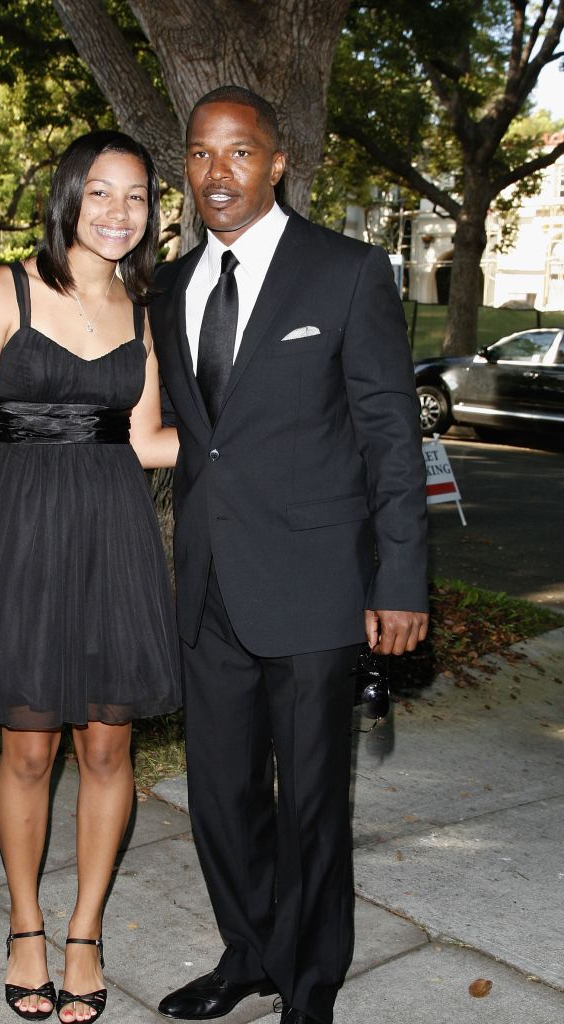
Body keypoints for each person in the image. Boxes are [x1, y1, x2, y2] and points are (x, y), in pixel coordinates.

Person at [149, 87, 429, 1024]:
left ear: (277, 163)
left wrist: (399, 579)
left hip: (316, 586)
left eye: (237, 152)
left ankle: (309, 992)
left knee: (310, 806)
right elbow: (198, 440)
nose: (215, 172)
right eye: (197, 155)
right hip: (211, 589)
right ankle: (249, 956)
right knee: (220, 797)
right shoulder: (171, 284)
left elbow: (393, 438)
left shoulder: (347, 272)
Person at [0, 130, 180, 1023]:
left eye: (137, 197)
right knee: (27, 746)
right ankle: (25, 923)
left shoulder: (144, 312)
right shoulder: (2, 289)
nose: (119, 213)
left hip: (115, 536)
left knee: (109, 744)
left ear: (152, 212)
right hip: (23, 532)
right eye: (101, 192)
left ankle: (85, 930)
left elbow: (147, 443)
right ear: (69, 195)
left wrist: (250, 436)